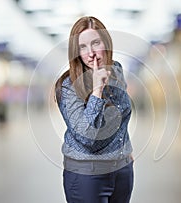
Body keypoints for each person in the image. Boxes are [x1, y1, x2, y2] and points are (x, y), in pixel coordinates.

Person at [55, 16, 134, 203]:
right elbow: (88, 137)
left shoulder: (116, 70)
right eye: (83, 47)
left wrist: (124, 150)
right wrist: (97, 90)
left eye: (95, 43)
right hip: (87, 175)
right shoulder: (68, 86)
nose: (90, 53)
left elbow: (120, 114)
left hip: (122, 171)